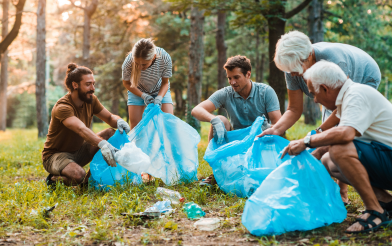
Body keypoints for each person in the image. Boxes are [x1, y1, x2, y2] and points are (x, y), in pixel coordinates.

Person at [259, 30, 382, 204]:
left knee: (337, 132)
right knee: (326, 135)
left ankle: (342, 192)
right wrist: (276, 129)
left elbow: (340, 110)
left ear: (309, 56)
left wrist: (316, 135)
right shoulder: (292, 67)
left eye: (295, 70)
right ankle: (328, 183)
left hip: (364, 73)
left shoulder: (333, 61)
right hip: (330, 89)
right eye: (288, 71)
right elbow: (294, 108)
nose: (293, 75)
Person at [282, 60, 392, 233]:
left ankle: (375, 211)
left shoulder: (356, 95)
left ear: (326, 88)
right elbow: (335, 134)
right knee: (328, 160)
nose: (316, 100)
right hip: (385, 157)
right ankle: (385, 202)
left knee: (339, 149)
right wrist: (313, 156)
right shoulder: (348, 95)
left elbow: (344, 134)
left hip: (388, 157)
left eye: (314, 94)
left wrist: (305, 142)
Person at [192, 55, 282, 184]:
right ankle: (218, 171)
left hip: (260, 141)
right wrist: (214, 119)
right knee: (220, 119)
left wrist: (265, 131)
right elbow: (196, 110)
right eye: (229, 78)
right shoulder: (226, 93)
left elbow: (278, 124)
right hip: (236, 145)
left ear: (248, 74)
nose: (232, 82)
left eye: (236, 77)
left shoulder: (266, 92)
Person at [43, 63, 131, 187]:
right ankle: (53, 179)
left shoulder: (91, 100)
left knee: (110, 133)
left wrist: (119, 121)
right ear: (75, 85)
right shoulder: (63, 107)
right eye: (88, 84)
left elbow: (110, 117)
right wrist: (103, 144)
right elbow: (80, 129)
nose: (92, 88)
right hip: (55, 156)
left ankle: (87, 182)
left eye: (93, 83)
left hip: (78, 152)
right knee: (78, 175)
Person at [122, 38, 173, 129]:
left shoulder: (164, 57)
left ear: (153, 57)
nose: (140, 67)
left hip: (159, 89)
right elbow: (126, 83)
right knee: (136, 126)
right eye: (137, 63)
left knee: (168, 124)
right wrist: (143, 95)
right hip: (137, 90)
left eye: (144, 64)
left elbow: (165, 83)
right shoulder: (129, 61)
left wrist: (159, 98)